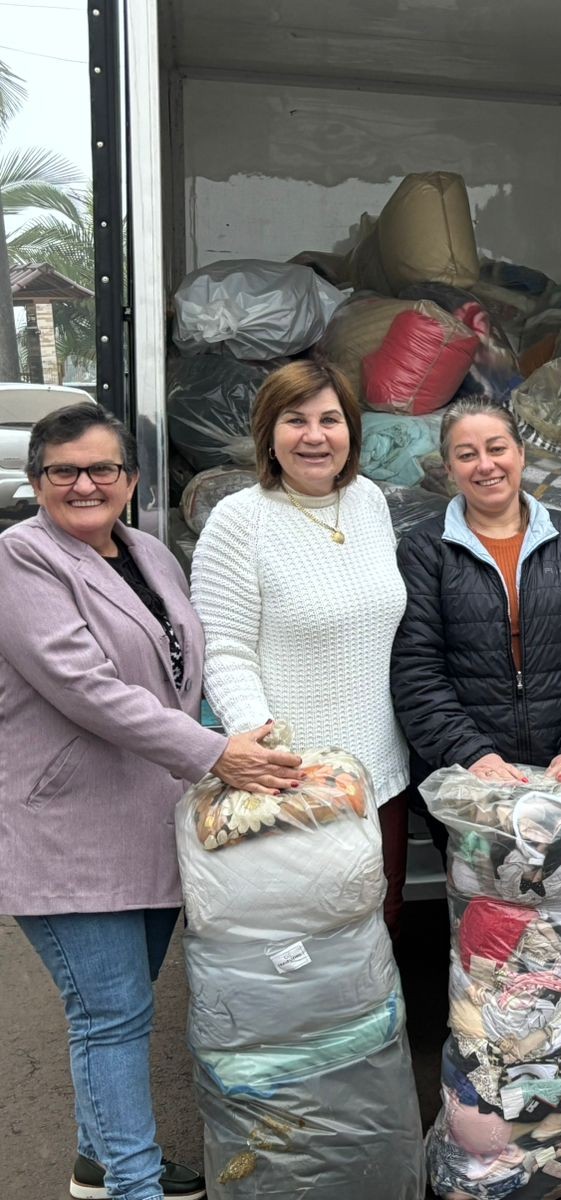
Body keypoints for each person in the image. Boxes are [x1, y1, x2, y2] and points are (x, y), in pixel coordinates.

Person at [0, 405, 300, 1200]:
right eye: (64, 471)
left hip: (150, 819)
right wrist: (214, 752)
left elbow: (175, 674)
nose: (85, 484)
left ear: (131, 480)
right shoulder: (20, 559)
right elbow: (86, 687)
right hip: (67, 828)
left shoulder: (150, 554)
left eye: (103, 468)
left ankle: (102, 1157)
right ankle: (133, 1184)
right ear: (36, 482)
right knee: (110, 1014)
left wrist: (230, 731)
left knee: (122, 1010)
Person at [191, 359, 413, 932]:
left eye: (329, 420)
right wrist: (266, 749)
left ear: (351, 433)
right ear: (268, 435)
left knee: (381, 918)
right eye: (296, 420)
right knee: (305, 937)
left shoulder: (368, 501)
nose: (315, 436)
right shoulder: (239, 521)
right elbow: (224, 650)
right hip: (293, 782)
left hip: (381, 771)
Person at [390, 399, 561, 795]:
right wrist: (472, 755)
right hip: (470, 781)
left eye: (497, 448)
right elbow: (417, 670)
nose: (485, 465)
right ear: (449, 468)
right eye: (467, 455)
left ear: (521, 454)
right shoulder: (424, 550)